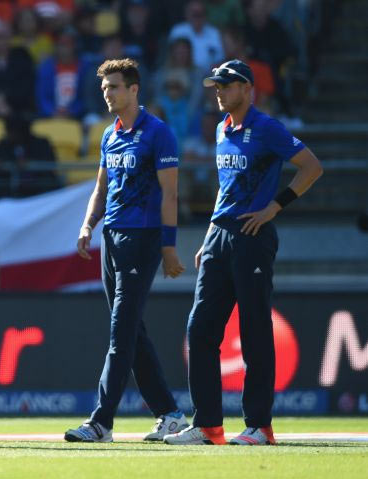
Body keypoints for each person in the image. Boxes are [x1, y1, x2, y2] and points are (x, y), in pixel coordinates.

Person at [163, 60, 323, 446]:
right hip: (220, 235)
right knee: (199, 330)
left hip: (253, 235)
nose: (218, 91)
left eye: (226, 85)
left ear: (247, 88)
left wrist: (275, 207)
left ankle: (259, 426)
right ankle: (207, 426)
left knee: (253, 331)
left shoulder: (266, 128)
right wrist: (209, 235)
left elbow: (311, 167)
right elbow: (227, 188)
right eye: (216, 85)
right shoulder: (221, 129)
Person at [66, 58, 188, 443]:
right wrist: (88, 224)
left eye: (114, 87)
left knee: (121, 332)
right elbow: (101, 189)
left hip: (144, 238)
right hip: (112, 238)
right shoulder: (109, 135)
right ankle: (169, 414)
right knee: (132, 331)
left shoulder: (158, 134)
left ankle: (101, 422)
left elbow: (170, 193)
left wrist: (169, 246)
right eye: (104, 89)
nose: (108, 94)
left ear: (134, 89)